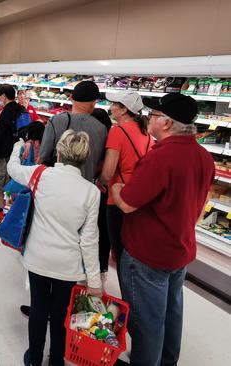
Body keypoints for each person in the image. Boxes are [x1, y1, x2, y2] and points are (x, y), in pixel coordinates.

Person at [112, 93, 214, 366]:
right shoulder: (204, 156)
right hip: (179, 250)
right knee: (171, 314)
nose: (149, 120)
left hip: (148, 254)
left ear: (167, 123)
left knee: (146, 321)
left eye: (153, 116)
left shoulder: (161, 158)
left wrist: (117, 187)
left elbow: (128, 204)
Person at [8, 130, 102, 366]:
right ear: (84, 158)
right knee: (61, 313)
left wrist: (18, 147)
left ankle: (34, 358)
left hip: (38, 257)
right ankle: (56, 360)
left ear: (59, 152)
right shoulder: (91, 192)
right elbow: (89, 239)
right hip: (68, 265)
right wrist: (94, 281)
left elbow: (13, 169)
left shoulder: (40, 175)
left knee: (39, 308)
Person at [98, 91, 153, 274]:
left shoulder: (117, 131)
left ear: (123, 109)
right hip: (140, 195)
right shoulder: (146, 132)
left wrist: (100, 181)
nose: (111, 107)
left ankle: (127, 297)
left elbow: (108, 172)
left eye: (115, 104)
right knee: (134, 250)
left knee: (120, 252)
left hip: (118, 197)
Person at [38, 80, 108, 182]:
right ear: (93, 103)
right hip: (85, 186)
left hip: (57, 183)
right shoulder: (101, 129)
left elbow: (43, 157)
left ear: (71, 98)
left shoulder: (55, 121)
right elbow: (100, 163)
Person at [0, 84, 25, 220]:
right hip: (17, 152)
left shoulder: (4, 112)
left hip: (4, 153)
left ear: (3, 96)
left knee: (1, 184)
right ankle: (10, 208)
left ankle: (3, 212)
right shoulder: (21, 109)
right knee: (11, 184)